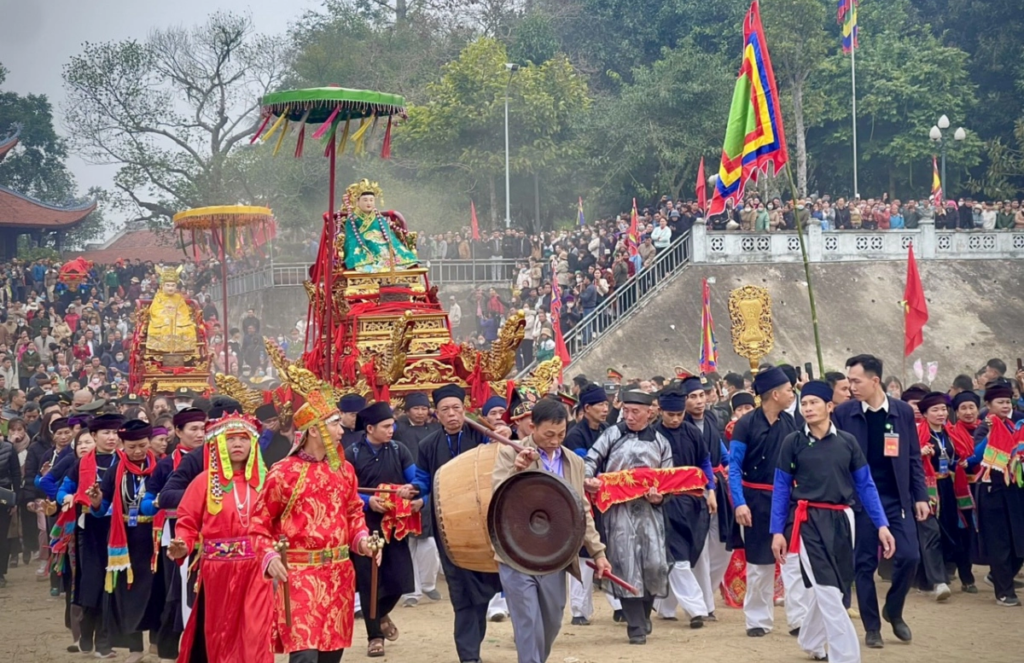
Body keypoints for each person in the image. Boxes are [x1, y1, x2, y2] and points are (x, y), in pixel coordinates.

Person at [770, 381, 896, 663]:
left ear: (829, 406)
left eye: (814, 402)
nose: (808, 408)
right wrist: (777, 531)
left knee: (836, 588)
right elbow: (781, 488)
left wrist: (882, 525)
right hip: (806, 521)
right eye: (804, 403)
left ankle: (811, 640)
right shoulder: (793, 442)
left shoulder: (847, 442)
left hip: (842, 519)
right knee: (827, 589)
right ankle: (847, 657)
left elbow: (866, 486)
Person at [250, 388, 375, 663]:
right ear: (315, 431)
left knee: (331, 654)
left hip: (338, 574)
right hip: (298, 574)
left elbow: (354, 513)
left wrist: (363, 540)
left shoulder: (344, 470)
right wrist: (269, 556)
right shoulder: (283, 473)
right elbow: (259, 523)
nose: (341, 429)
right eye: (333, 423)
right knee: (305, 655)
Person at [492, 398, 611, 663]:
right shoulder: (511, 452)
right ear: (532, 427)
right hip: (516, 550)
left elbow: (582, 511)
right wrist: (516, 469)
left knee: (553, 618)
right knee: (527, 621)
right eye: (548, 434)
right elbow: (496, 496)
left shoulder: (573, 463)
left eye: (561, 434)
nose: (555, 440)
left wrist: (598, 552)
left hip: (554, 553)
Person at [833, 354, 928, 648]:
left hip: (896, 499)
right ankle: (872, 627)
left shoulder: (901, 412)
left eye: (856, 380)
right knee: (863, 565)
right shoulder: (844, 414)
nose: (851, 386)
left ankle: (894, 610)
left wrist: (920, 496)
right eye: (848, 381)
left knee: (910, 556)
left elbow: (913, 457)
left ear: (875, 381)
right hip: (860, 502)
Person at [411, 384, 508, 663]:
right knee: (461, 594)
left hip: (484, 527)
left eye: (456, 408)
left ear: (465, 410)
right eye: (445, 410)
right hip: (449, 530)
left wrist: (505, 435)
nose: (452, 414)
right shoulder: (428, 445)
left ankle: (473, 646)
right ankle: (469, 656)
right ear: (436, 415)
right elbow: (423, 481)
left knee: (483, 588)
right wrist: (416, 492)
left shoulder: (482, 436)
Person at [167, 411, 273, 663]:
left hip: (256, 570)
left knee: (256, 632)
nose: (237, 444)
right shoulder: (203, 482)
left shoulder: (267, 482)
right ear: (218, 444)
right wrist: (183, 544)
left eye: (244, 439)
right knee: (220, 633)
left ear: (254, 443)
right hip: (218, 571)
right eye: (231, 439)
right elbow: (187, 522)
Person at [583, 389, 673, 645]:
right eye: (626, 412)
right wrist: (588, 478)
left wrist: (661, 497)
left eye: (636, 412)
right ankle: (635, 626)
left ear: (650, 412)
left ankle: (644, 614)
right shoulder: (612, 434)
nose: (630, 417)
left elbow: (667, 478)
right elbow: (591, 459)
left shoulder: (660, 441)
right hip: (618, 510)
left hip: (649, 512)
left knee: (653, 564)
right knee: (626, 563)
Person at [728, 366, 808, 637]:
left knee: (793, 563)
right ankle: (758, 620)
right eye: (788, 390)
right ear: (774, 394)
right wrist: (739, 502)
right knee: (760, 565)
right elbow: (734, 466)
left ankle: (798, 620)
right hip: (755, 500)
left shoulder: (793, 424)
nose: (791, 394)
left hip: (787, 500)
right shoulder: (746, 423)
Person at [345, 402, 418, 657]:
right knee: (369, 583)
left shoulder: (399, 449)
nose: (391, 430)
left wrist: (410, 490)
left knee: (400, 580)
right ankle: (375, 636)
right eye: (386, 426)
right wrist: (368, 501)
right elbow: (345, 489)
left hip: (394, 525)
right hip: (364, 527)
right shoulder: (351, 454)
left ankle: (380, 612)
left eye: (392, 425)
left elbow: (415, 480)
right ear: (369, 428)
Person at [87, 419, 160, 663]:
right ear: (122, 445)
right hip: (126, 539)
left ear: (149, 442)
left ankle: (159, 645)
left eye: (141, 445)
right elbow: (102, 507)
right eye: (131, 447)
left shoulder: (162, 466)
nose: (137, 451)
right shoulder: (115, 470)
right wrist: (96, 502)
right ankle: (135, 649)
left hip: (156, 538)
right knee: (129, 594)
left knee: (158, 590)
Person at [141, 406, 208, 663]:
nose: (200, 434)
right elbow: (150, 501)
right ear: (178, 432)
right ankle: (167, 647)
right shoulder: (167, 464)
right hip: (176, 536)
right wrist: (162, 502)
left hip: (212, 535)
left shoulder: (219, 459)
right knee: (177, 591)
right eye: (194, 429)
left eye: (204, 429)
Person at [57, 413, 125, 657]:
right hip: (89, 530)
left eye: (116, 433)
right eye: (106, 433)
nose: (111, 437)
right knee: (92, 583)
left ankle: (105, 642)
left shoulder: (124, 461)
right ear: (94, 436)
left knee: (112, 585)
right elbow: (62, 487)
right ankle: (86, 632)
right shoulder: (82, 463)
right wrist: (67, 497)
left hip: (118, 528)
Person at [653, 383, 716, 628]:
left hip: (694, 503)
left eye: (680, 414)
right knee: (678, 555)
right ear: (660, 411)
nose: (676, 419)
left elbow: (705, 461)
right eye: (671, 415)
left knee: (687, 554)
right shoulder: (653, 436)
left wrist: (710, 489)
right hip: (665, 504)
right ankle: (697, 609)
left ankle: (665, 606)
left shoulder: (692, 432)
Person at [563, 383, 621, 625]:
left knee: (609, 550)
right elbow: (581, 469)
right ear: (586, 408)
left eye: (606, 404)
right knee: (586, 552)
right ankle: (579, 610)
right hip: (584, 499)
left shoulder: (608, 430)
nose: (605, 409)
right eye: (600, 405)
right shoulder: (575, 435)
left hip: (608, 500)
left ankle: (619, 604)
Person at [969, 381, 1024, 606]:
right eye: (999, 402)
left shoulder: (1017, 424)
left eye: (1007, 402)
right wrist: (992, 434)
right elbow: (976, 456)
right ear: (989, 404)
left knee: (1018, 542)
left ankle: (999, 577)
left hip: (1016, 491)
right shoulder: (986, 426)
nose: (1004, 405)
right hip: (993, 489)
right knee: (1000, 542)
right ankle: (1004, 592)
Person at [916, 391, 977, 594]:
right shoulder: (918, 435)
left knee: (956, 530)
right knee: (932, 532)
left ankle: (963, 576)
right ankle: (938, 582)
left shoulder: (952, 432)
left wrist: (959, 461)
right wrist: (919, 452)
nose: (941, 413)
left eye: (943, 409)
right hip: (928, 489)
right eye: (935, 410)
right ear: (925, 414)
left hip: (950, 488)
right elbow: (906, 458)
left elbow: (961, 454)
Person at [393, 392, 442, 608]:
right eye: (416, 409)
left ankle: (428, 583)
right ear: (407, 411)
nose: (420, 412)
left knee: (429, 542)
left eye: (424, 408)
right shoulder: (399, 430)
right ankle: (412, 590)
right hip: (405, 487)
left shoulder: (436, 429)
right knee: (408, 542)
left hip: (430, 487)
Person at [337, 179, 418, 273]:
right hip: (364, 243)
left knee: (395, 248)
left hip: (382, 240)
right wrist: (364, 243)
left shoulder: (379, 217)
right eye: (365, 200)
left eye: (371, 200)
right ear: (358, 202)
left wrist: (391, 243)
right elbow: (351, 238)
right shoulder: (353, 219)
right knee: (372, 248)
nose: (369, 203)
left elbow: (388, 233)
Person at [146, 267, 198, 355]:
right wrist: (165, 317)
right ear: (163, 285)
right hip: (163, 321)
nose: (170, 288)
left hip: (178, 320)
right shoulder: (159, 297)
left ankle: (184, 350)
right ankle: (162, 351)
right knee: (165, 328)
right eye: (168, 285)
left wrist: (178, 317)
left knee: (187, 329)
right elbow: (155, 311)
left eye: (173, 285)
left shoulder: (179, 298)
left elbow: (184, 311)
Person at [255, 402, 293, 467]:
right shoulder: (256, 438)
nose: (272, 423)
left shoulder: (284, 432)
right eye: (268, 422)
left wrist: (290, 436)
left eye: (275, 420)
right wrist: (268, 433)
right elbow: (258, 455)